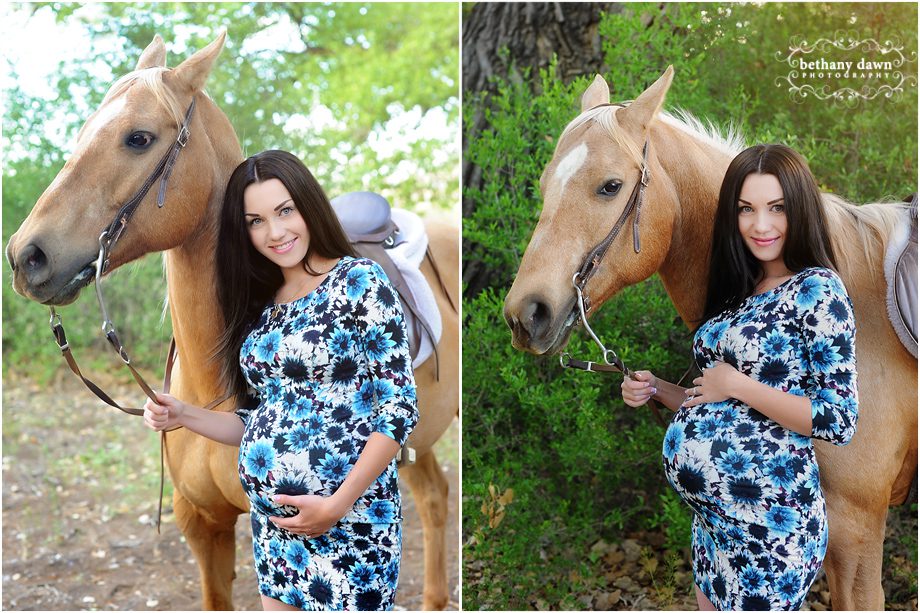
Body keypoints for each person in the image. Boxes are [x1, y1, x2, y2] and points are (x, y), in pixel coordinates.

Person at [143, 149, 418, 611]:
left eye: (284, 211)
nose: (274, 232)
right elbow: (260, 421)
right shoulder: (262, 304)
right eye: (255, 221)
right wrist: (184, 414)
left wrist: (336, 505)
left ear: (308, 205)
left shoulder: (359, 282)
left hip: (351, 524)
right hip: (276, 534)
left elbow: (398, 412)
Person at [621, 144, 858, 611]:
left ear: (800, 210)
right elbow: (718, 404)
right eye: (746, 209)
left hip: (771, 527)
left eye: (777, 208)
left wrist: (738, 384)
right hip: (716, 528)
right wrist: (657, 389)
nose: (760, 225)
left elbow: (838, 419)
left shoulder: (817, 289)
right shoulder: (739, 292)